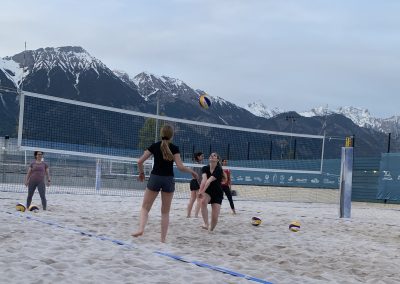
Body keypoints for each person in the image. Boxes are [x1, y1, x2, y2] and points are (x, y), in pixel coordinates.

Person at [131, 125, 198, 243]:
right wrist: (191, 171)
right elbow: (181, 167)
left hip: (155, 177)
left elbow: (139, 161)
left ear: (161, 133)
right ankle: (162, 239)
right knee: (165, 212)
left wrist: (141, 173)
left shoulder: (155, 146)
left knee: (145, 208)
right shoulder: (174, 148)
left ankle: (141, 229)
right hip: (168, 179)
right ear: (172, 135)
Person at [198, 152, 224, 231]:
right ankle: (206, 224)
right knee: (203, 202)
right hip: (208, 191)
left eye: (214, 155)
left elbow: (209, 181)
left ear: (217, 160)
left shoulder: (219, 169)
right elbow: (204, 180)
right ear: (209, 158)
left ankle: (211, 229)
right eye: (211, 155)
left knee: (215, 217)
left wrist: (202, 191)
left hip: (217, 193)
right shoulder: (205, 168)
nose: (212, 156)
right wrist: (200, 191)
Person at [187, 152, 204, 218]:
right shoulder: (198, 164)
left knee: (192, 199)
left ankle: (188, 215)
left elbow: (190, 171)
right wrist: (198, 179)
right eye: (202, 156)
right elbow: (192, 172)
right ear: (198, 157)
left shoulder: (193, 163)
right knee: (199, 200)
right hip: (197, 182)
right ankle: (196, 215)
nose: (203, 157)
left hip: (193, 181)